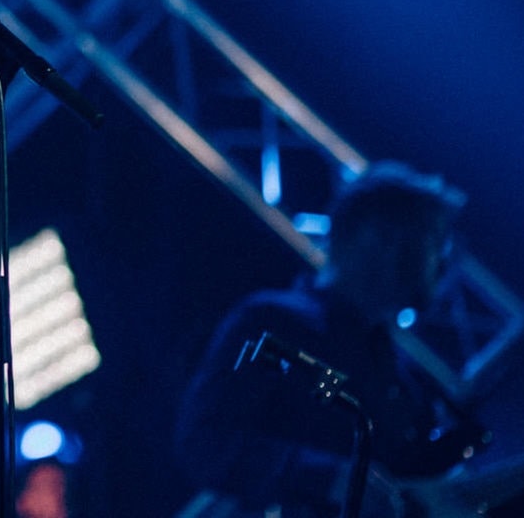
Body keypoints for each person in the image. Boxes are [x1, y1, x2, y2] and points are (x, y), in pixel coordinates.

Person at [174, 163, 493, 518]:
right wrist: (327, 476)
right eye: (432, 239)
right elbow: (204, 442)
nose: (442, 259)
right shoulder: (272, 322)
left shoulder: (399, 373)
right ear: (377, 236)